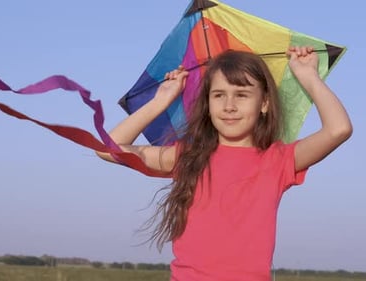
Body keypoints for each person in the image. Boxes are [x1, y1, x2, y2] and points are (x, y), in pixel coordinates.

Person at [96, 46, 352, 281]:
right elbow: (108, 149)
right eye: (219, 95)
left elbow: (338, 129)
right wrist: (161, 101)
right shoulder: (188, 157)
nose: (229, 106)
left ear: (264, 103)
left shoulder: (278, 160)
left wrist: (309, 76)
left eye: (242, 95)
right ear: (207, 105)